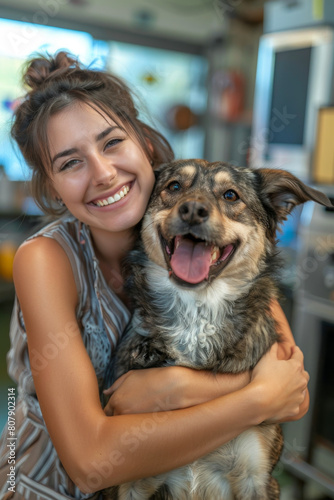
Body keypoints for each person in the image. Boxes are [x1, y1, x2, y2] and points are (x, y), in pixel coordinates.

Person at [0, 51, 309, 500]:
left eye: (111, 143)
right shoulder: (45, 258)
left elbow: (291, 387)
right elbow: (89, 465)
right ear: (50, 186)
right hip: (40, 482)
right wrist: (256, 399)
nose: (104, 174)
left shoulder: (194, 226)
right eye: (70, 163)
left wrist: (172, 387)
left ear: (143, 143)